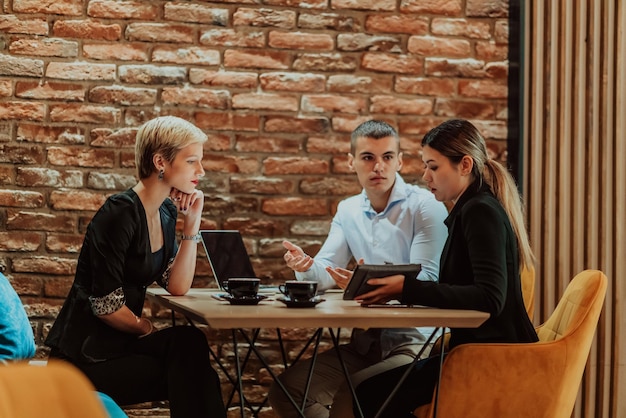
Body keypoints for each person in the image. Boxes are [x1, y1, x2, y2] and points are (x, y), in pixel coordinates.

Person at [352, 119, 538, 417]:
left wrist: (405, 287)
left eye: (433, 167)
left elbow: (490, 298)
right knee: (368, 390)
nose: (425, 175)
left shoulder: (479, 211)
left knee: (370, 394)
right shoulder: (471, 208)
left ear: (464, 165)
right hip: (475, 352)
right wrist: (403, 288)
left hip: (492, 358)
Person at [45, 116, 226, 418]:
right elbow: (106, 307)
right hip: (83, 361)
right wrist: (147, 328)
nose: (201, 171)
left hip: (120, 348)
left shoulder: (166, 212)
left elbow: (177, 285)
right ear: (160, 162)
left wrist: (191, 223)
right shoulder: (119, 213)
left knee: (190, 343)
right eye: (192, 161)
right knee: (191, 373)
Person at [268, 120, 449, 418]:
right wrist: (306, 266)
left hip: (417, 343)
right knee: (287, 392)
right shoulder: (348, 209)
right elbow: (327, 271)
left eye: (387, 157)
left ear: (400, 161)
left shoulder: (425, 206)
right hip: (366, 345)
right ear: (351, 162)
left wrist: (366, 283)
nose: (378, 166)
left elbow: (426, 281)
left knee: (352, 395)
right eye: (368, 157)